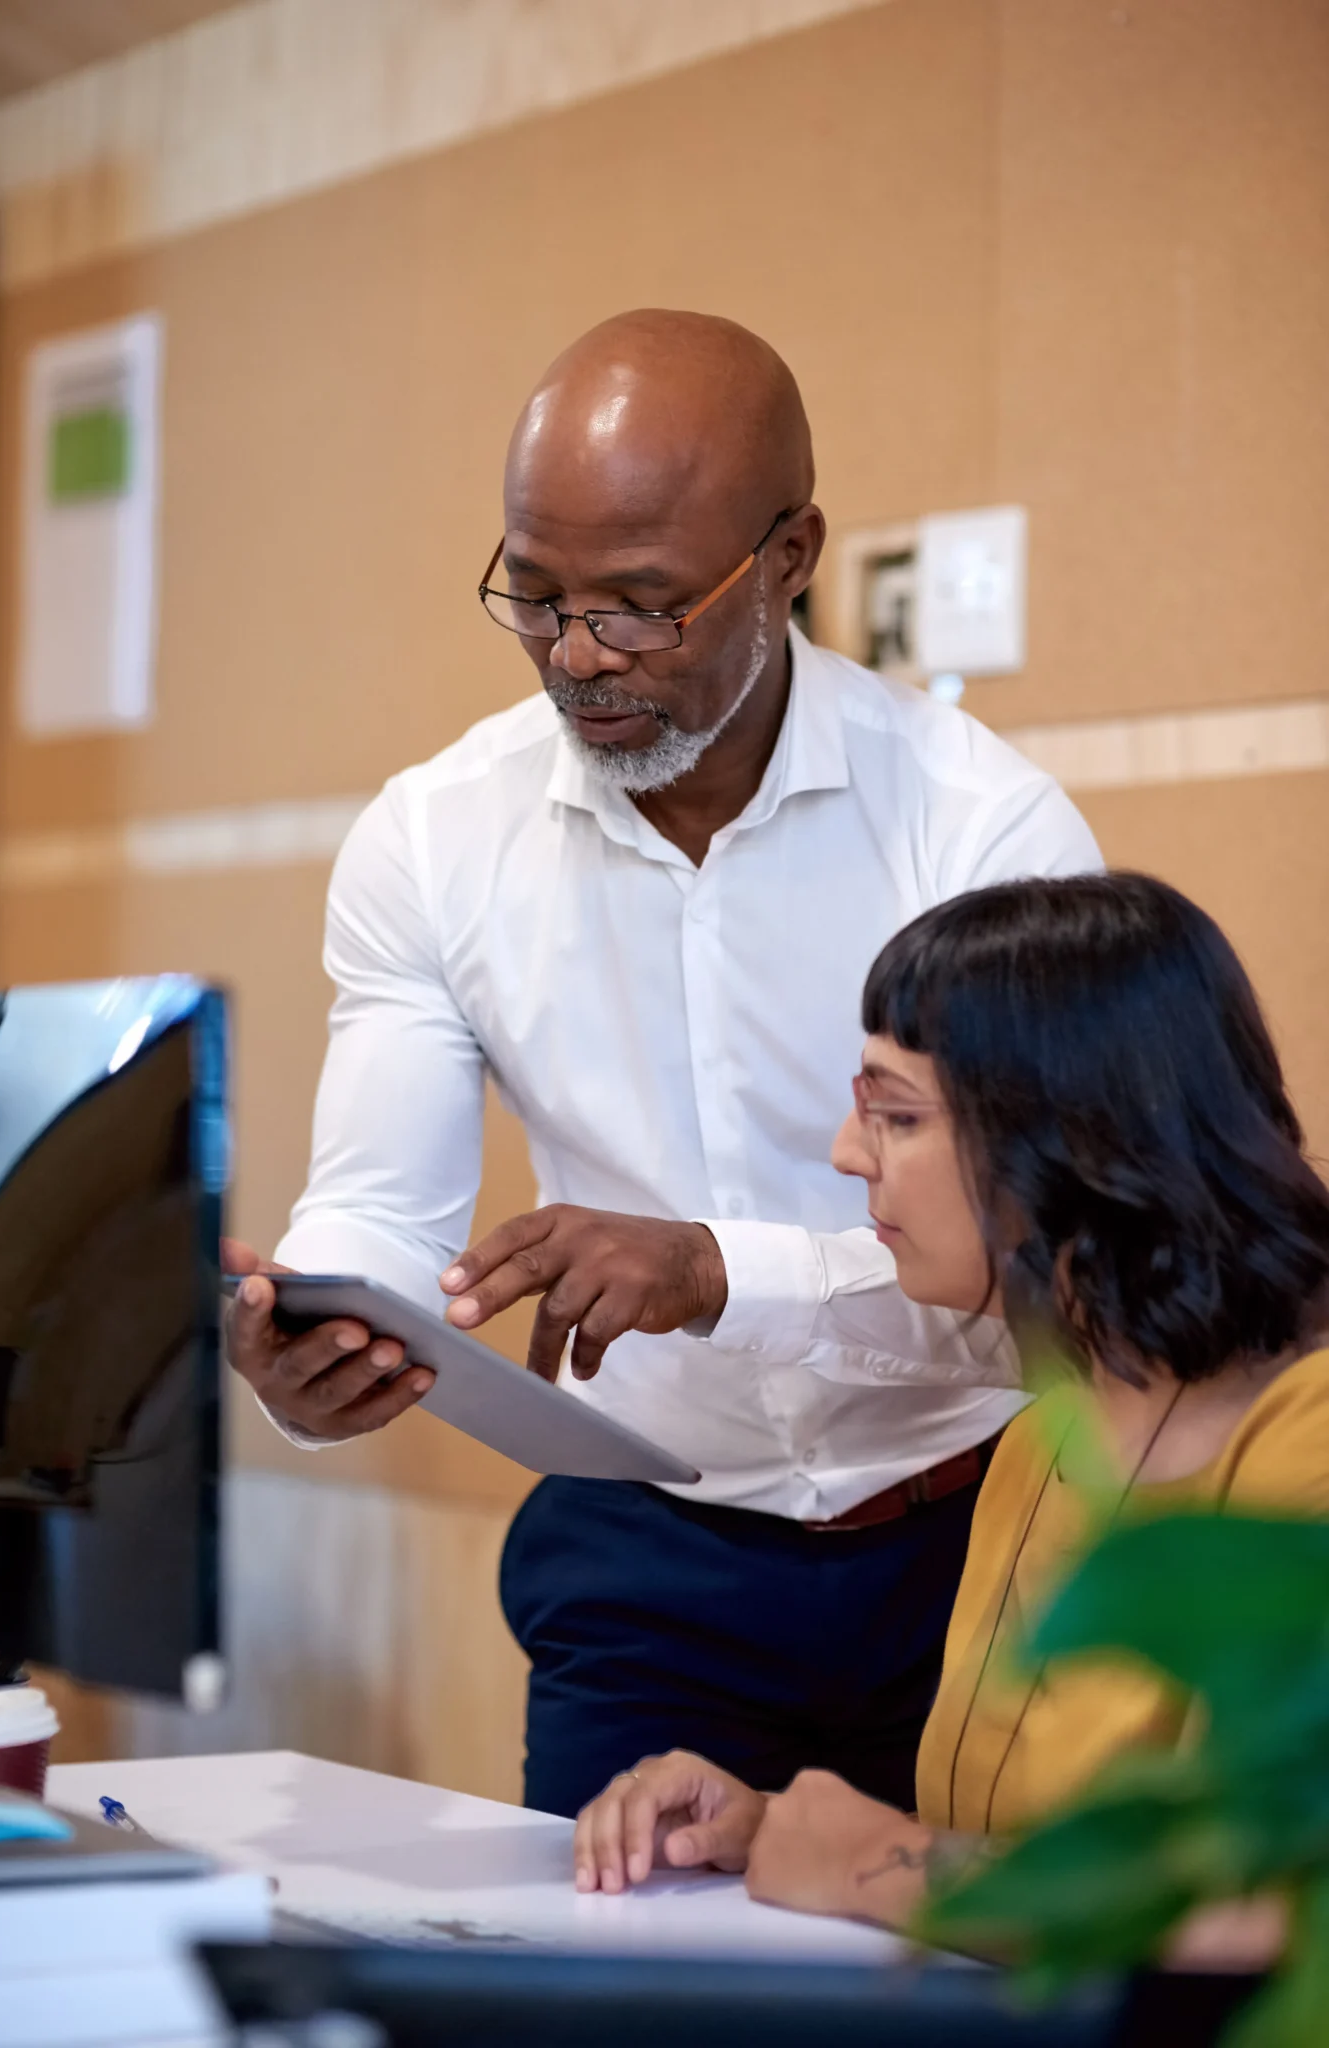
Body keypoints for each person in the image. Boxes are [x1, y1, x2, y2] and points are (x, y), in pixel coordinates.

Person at [224, 308, 1100, 1819]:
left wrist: (713, 1272)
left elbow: (1042, 1292)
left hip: (976, 1542)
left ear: (790, 554)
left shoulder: (980, 835)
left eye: (639, 605)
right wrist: (312, 1343)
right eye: (535, 595)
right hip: (646, 1549)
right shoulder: (434, 840)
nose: (575, 658)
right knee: (599, 1984)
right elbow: (379, 1209)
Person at [569, 872, 1329, 1946]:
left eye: (896, 1113)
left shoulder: (1304, 1436)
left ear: (1076, 1139)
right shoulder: (1038, 1437)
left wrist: (873, 1863)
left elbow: (1260, 1914)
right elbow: (994, 1840)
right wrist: (767, 1828)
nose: (846, 1151)